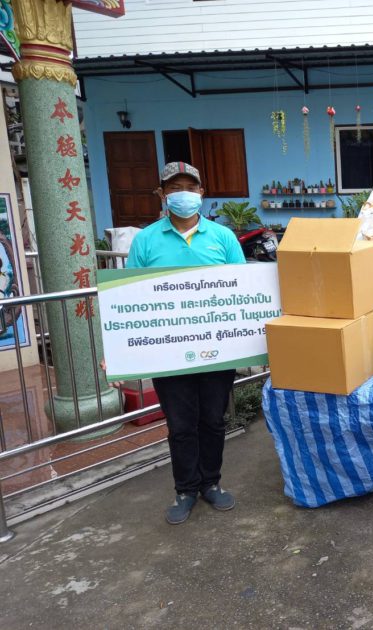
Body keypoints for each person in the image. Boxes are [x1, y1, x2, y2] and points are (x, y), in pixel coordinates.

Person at [127, 161, 246, 524]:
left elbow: (243, 291)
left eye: (190, 188)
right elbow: (128, 299)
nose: (184, 194)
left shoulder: (223, 238)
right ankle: (185, 489)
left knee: (212, 420)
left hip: (217, 349)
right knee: (180, 425)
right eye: (175, 188)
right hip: (168, 352)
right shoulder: (145, 241)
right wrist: (117, 352)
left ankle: (211, 483)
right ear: (162, 194)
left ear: (201, 193)